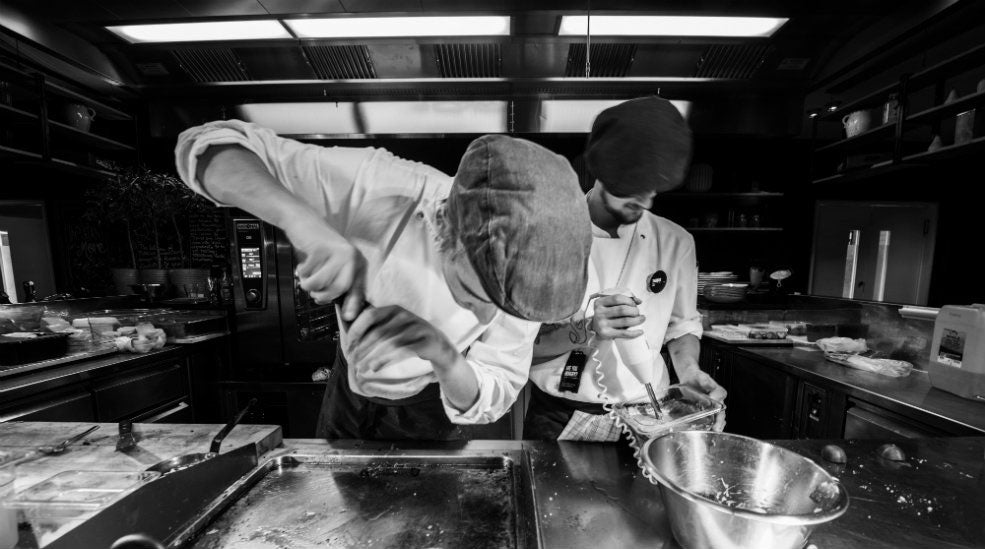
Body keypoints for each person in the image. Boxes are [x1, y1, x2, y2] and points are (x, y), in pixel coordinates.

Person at [174, 120, 592, 440]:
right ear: (443, 226)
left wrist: (443, 354)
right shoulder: (386, 186)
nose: (486, 315)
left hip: (433, 402)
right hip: (347, 387)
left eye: (499, 307)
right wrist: (303, 224)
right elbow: (208, 147)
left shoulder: (531, 272)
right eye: (472, 293)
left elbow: (498, 387)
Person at [524, 97, 727, 441]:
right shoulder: (541, 238)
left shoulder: (675, 242)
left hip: (651, 413)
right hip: (560, 415)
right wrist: (588, 328)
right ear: (601, 171)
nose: (645, 201)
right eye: (631, 189)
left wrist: (689, 370)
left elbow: (682, 326)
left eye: (652, 190)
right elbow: (521, 348)